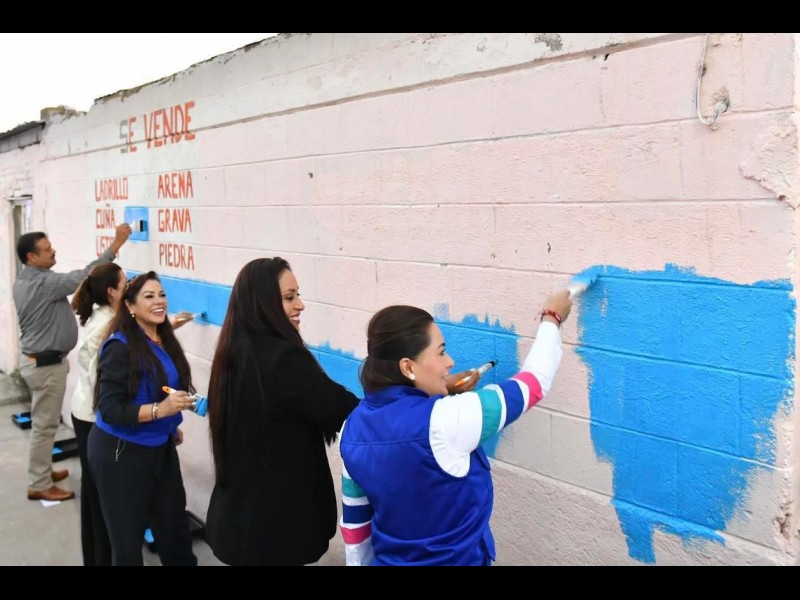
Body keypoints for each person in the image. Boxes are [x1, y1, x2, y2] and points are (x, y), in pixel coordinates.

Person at [338, 290, 572, 566]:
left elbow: (356, 525)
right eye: (441, 352)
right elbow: (532, 385)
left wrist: (440, 390)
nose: (450, 362)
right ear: (408, 367)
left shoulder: (351, 427)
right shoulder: (446, 420)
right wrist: (552, 318)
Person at [206, 258, 368, 565]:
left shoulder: (235, 351)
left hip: (240, 521)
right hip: (274, 531)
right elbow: (344, 410)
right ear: (263, 304)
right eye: (289, 297)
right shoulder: (282, 360)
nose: (300, 305)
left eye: (298, 295)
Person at [70, 264, 196, 565]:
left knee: (175, 533)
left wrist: (169, 423)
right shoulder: (119, 346)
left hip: (160, 447)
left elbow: (158, 388)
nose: (159, 301)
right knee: (127, 545)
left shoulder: (162, 338)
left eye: (162, 294)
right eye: (149, 296)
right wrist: (160, 411)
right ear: (130, 306)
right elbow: (111, 409)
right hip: (120, 453)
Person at [14, 224, 130, 502]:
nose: (54, 251)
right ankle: (39, 482)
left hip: (39, 362)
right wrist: (115, 245)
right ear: (32, 257)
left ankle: (42, 471)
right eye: (47, 249)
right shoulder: (43, 284)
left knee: (44, 422)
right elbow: (85, 276)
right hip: (45, 366)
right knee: (45, 425)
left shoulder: (27, 279)